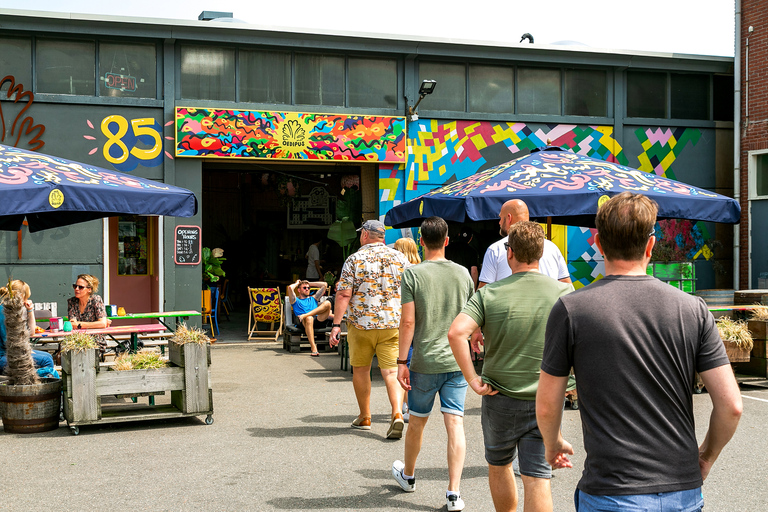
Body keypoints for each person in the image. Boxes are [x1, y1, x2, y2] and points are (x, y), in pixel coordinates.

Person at [536, 192, 743, 512]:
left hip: (610, 491)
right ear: (650, 245)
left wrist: (553, 445)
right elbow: (731, 406)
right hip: (682, 491)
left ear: (599, 244)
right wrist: (705, 456)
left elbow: (549, 405)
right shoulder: (694, 310)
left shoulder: (571, 310)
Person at [448, 221, 574, 512]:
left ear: (509, 254)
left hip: (498, 396)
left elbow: (456, 333)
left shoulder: (488, 294)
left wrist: (472, 379)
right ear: (541, 254)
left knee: (500, 465)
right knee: (537, 477)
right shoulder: (564, 295)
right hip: (546, 397)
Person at [392, 217, 474, 512]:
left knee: (417, 421)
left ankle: (409, 476)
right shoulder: (463, 274)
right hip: (456, 360)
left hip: (424, 360)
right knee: (455, 423)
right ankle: (453, 493)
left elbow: (408, 321)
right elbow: (470, 317)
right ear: (447, 241)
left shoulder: (412, 274)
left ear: (421, 242)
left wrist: (402, 361)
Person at [329, 219, 410, 439]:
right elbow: (412, 290)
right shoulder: (400, 258)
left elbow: (344, 293)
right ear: (382, 236)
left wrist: (336, 324)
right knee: (392, 371)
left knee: (362, 369)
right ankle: (397, 413)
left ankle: (365, 416)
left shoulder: (355, 259)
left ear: (365, 234)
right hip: (392, 324)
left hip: (361, 324)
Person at [478, 199, 571, 287]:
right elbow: (567, 287)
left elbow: (483, 294)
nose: (499, 222)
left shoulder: (495, 250)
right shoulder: (552, 247)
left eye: (501, 218)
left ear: (509, 218)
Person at [0, 280, 58, 379]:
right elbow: (9, 341)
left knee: (48, 356)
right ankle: (40, 388)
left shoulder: (13, 310)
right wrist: (25, 350)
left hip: (11, 353)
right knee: (46, 360)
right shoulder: (3, 312)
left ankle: (41, 385)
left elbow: (31, 332)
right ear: (21, 296)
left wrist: (30, 310)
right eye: (26, 297)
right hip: (4, 357)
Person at [287, 279, 333, 357]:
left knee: (328, 303)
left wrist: (309, 283)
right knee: (309, 318)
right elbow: (290, 288)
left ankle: (305, 315)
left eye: (308, 288)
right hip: (303, 322)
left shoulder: (313, 298)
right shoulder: (295, 300)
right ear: (299, 290)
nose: (307, 289)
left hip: (317, 319)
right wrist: (297, 283)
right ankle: (313, 347)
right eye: (304, 288)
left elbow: (324, 284)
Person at [67, 274, 109, 354]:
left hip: (95, 340)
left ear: (89, 289)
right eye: (75, 286)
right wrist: (94, 324)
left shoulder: (96, 300)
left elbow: (102, 324)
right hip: (76, 339)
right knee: (62, 349)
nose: (76, 289)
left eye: (81, 287)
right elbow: (72, 324)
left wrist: (79, 324)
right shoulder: (72, 302)